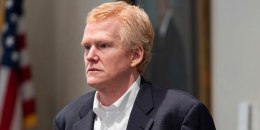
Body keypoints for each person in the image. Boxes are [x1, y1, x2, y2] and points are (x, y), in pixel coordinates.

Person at [53, 1, 216, 130]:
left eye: (103, 45)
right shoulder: (67, 119)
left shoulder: (181, 115)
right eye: (87, 47)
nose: (90, 56)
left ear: (135, 55)